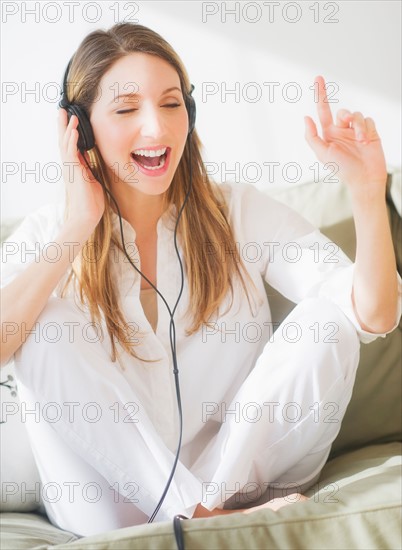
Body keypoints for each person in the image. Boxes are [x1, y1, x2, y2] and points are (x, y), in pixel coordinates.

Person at [1, 22, 400, 537]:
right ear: (78, 127)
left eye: (171, 104)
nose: (157, 128)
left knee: (327, 320)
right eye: (126, 110)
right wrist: (78, 225)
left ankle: (203, 512)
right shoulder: (52, 230)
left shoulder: (236, 209)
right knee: (45, 322)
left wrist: (366, 191)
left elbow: (372, 314)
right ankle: (199, 518)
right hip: (108, 501)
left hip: (242, 484)